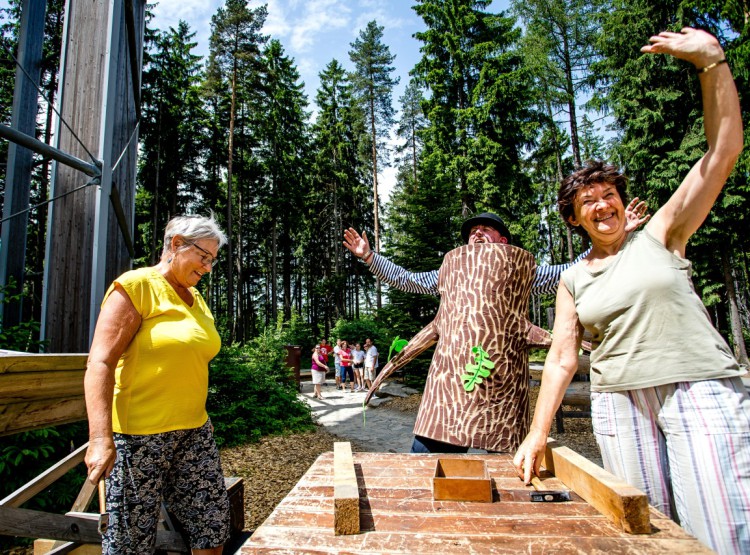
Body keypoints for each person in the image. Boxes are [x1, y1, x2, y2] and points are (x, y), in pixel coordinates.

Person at [513, 28, 748, 555]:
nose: (602, 204)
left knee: (721, 528)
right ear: (575, 218)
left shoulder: (663, 233)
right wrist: (536, 433)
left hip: (699, 388)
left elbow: (722, 151)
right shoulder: (573, 278)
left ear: (622, 201)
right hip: (619, 403)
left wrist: (712, 64)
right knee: (645, 528)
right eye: (588, 201)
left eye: (609, 194)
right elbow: (560, 359)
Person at [84, 215, 230, 555]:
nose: (208, 267)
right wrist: (100, 438)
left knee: (213, 529)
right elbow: (100, 362)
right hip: (139, 437)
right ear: (176, 244)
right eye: (204, 257)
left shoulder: (196, 299)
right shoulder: (136, 286)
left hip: (195, 430)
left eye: (213, 260)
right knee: (130, 542)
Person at [343, 203, 648, 298]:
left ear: (503, 241)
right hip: (456, 364)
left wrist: (614, 236)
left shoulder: (517, 269)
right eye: (472, 232)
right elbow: (408, 280)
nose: (476, 233)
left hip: (502, 364)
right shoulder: (452, 272)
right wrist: (370, 257)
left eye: (485, 229)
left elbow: (571, 271)